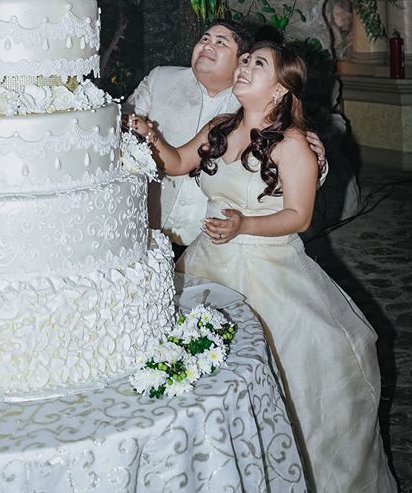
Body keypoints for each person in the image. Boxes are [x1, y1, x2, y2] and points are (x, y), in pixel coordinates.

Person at [129, 42, 396, 493]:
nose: (244, 67)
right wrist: (151, 137)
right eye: (246, 60)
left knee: (286, 375)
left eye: (258, 64)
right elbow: (175, 164)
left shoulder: (292, 144)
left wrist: (243, 223)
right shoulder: (219, 127)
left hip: (268, 268)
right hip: (206, 263)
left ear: (279, 88)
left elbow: (300, 216)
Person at [125, 21, 326, 251]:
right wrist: (147, 132)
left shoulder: (276, 124)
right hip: (178, 238)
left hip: (247, 253)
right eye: (204, 38)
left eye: (221, 42)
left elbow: (299, 209)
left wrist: (318, 160)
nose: (208, 45)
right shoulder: (213, 121)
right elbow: (177, 161)